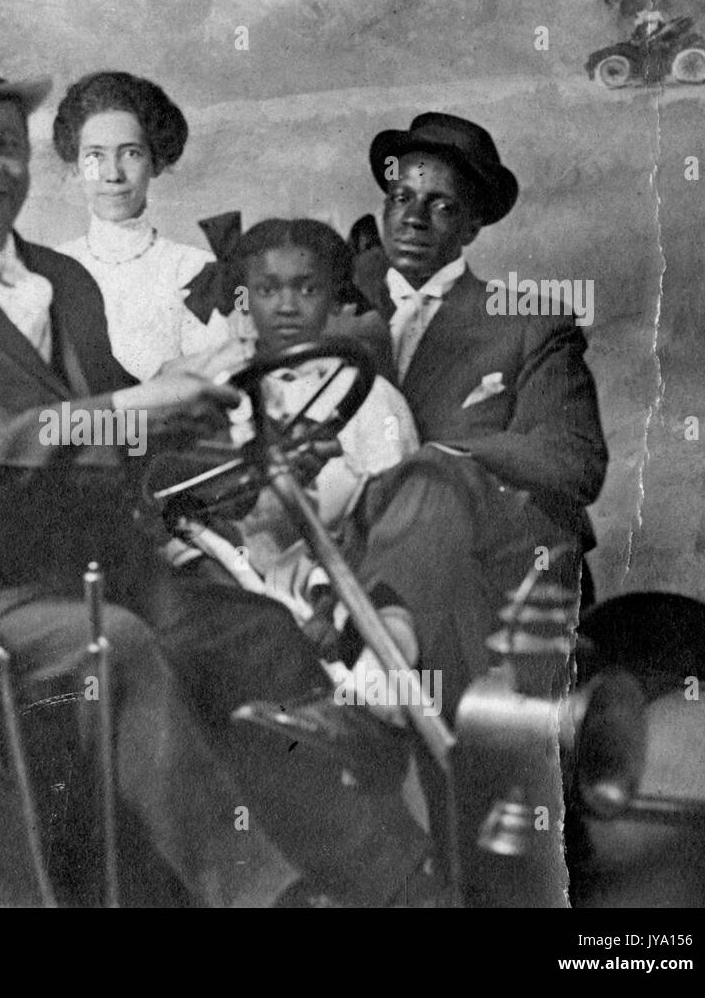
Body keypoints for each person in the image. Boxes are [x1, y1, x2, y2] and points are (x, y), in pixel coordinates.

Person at [0, 30, 418, 906]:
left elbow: (125, 434)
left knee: (256, 631)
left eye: (3, 144)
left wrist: (246, 453)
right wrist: (136, 410)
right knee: (119, 648)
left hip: (87, 566)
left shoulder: (63, 280)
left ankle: (392, 880)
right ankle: (264, 896)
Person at [249, 112, 608, 766]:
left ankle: (373, 695)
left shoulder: (528, 322)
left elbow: (575, 462)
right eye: (401, 198)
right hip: (338, 547)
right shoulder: (324, 300)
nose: (414, 219)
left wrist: (448, 457)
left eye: (441, 205)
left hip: (485, 567)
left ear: (472, 226)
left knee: (431, 478)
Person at [167, 216, 421, 643]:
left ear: (334, 297)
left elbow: (395, 523)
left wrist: (331, 607)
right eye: (267, 291)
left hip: (342, 592)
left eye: (307, 290)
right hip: (221, 592)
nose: (287, 306)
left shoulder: (373, 399)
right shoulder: (206, 387)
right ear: (245, 296)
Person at [52, 72, 241, 382]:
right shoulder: (48, 269)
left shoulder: (194, 270)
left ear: (156, 161)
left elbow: (214, 385)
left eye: (131, 153)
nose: (113, 174)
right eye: (95, 155)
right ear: (75, 165)